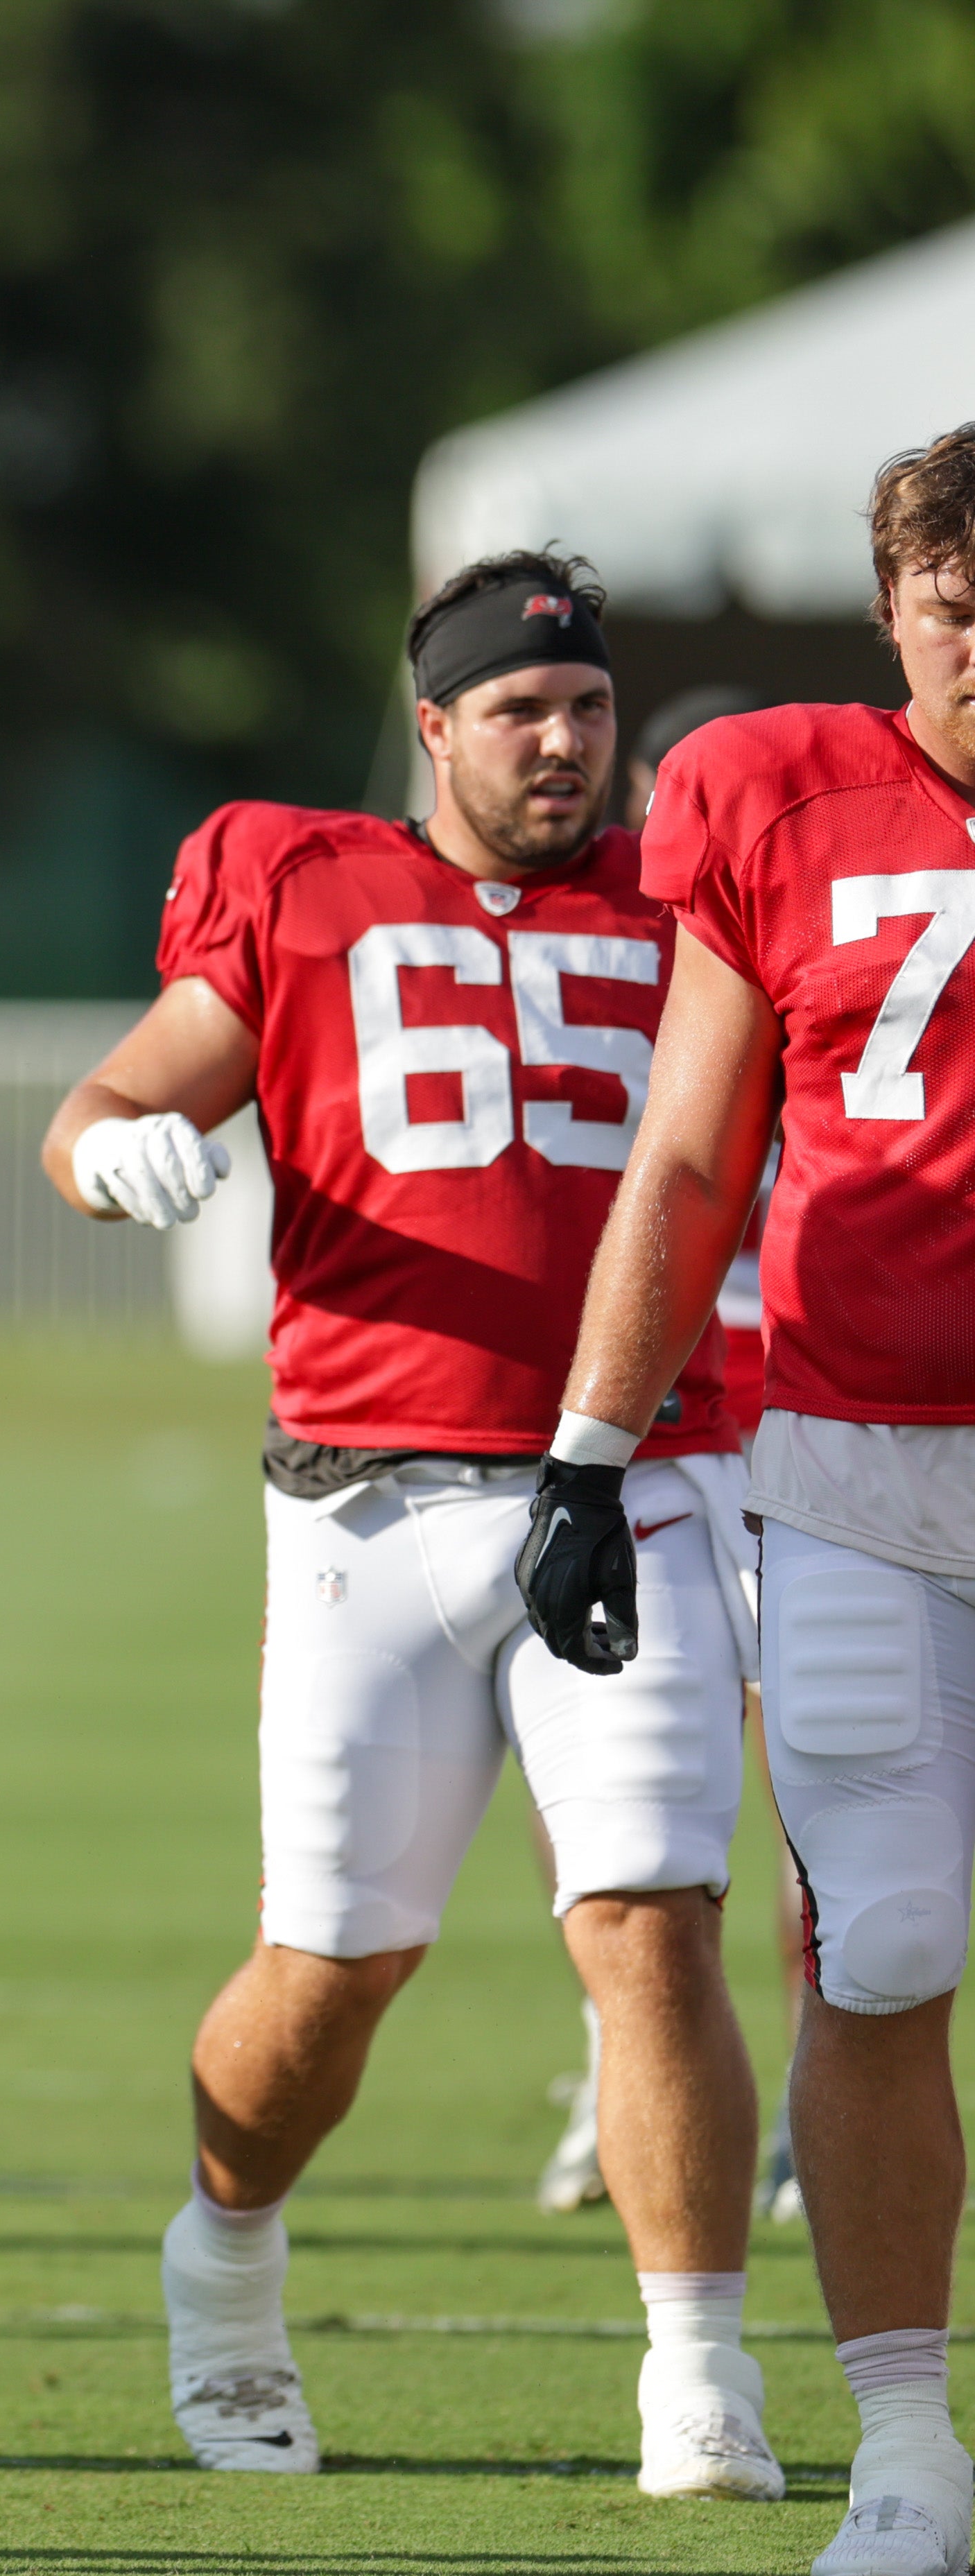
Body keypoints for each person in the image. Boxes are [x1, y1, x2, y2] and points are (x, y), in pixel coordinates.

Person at [51, 550, 772, 2500]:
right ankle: (225, 2260)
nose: (564, 743)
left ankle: (695, 2365)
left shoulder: (689, 898)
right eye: (520, 711)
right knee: (336, 1962)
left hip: (631, 1479)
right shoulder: (301, 885)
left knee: (651, 1922)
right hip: (370, 1502)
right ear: (433, 724)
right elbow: (109, 1100)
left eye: (592, 708)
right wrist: (115, 1150)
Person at [528, 426, 975, 2576]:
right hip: (860, 1457)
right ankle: (910, 2444)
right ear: (894, 612)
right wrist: (595, 1452)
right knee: (882, 1949)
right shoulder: (778, 796)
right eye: (961, 613)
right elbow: (691, 1157)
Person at [524, 681, 811, 2228]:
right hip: (686, 1396)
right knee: (645, 1771)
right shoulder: (628, 938)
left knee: (820, 1776)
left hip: (821, 1384)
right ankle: (627, 2055)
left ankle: (802, 2099)